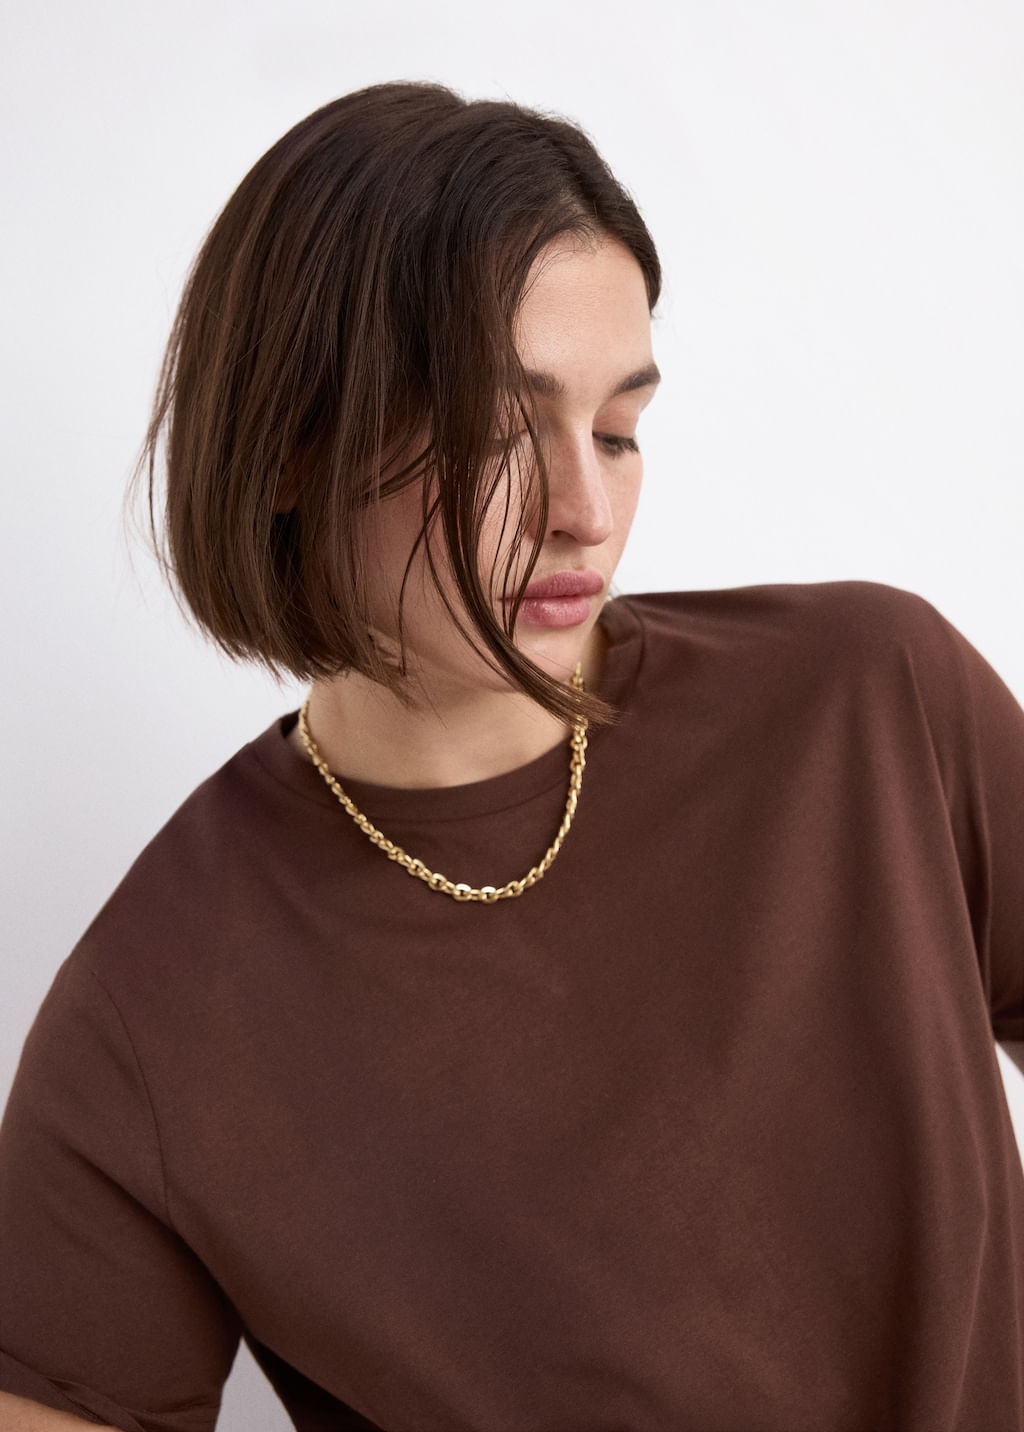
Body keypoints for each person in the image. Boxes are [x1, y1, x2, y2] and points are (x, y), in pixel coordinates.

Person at [0, 79, 1022, 1432]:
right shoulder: (152, 1016)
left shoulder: (873, 704)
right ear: (291, 448)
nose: (584, 510)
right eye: (498, 433)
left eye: (619, 430)